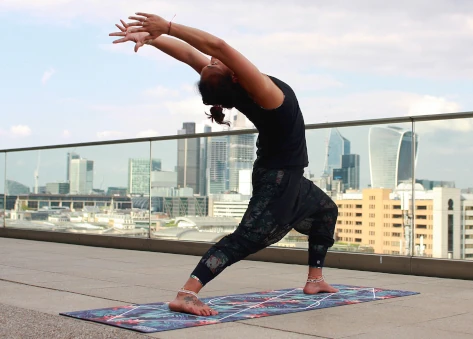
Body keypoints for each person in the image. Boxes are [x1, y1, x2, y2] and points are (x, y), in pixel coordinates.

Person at [109, 13, 339, 317]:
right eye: (215, 64)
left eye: (213, 63)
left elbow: (191, 54)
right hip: (278, 180)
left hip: (288, 174)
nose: (212, 60)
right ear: (232, 76)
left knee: (326, 211)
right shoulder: (261, 91)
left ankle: (315, 280)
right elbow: (217, 45)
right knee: (244, 239)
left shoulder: (234, 87)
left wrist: (151, 40)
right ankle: (187, 293)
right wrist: (165, 28)